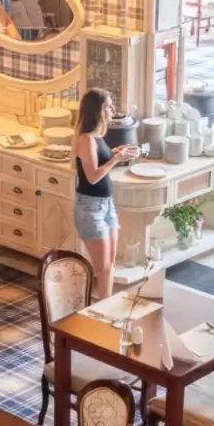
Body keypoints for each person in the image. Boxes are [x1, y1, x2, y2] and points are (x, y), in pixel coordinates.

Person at [73, 89, 140, 297]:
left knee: (110, 263)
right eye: (108, 107)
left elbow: (100, 159)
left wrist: (115, 152)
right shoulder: (86, 139)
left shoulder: (97, 137)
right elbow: (92, 177)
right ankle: (100, 307)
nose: (112, 110)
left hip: (106, 205)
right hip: (90, 208)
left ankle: (106, 305)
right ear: (98, 111)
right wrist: (115, 159)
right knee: (102, 266)